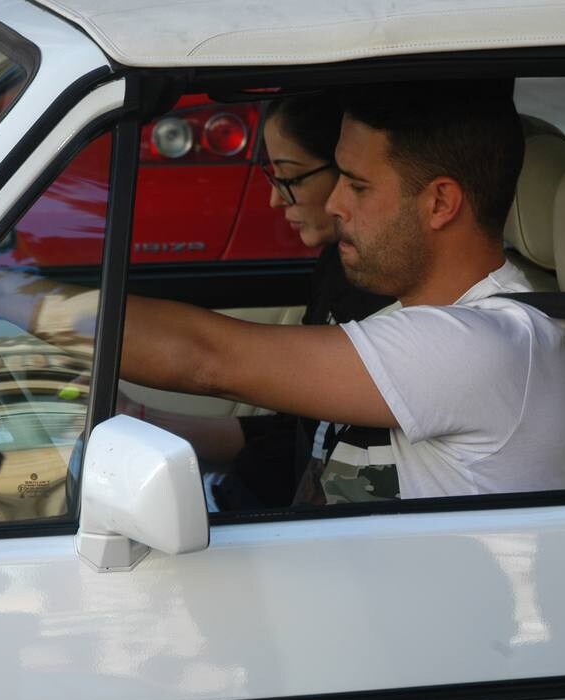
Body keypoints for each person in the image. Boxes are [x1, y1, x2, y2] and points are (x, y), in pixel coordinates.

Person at [119, 81, 565, 499]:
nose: (334, 203)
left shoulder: (486, 345)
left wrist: (49, 310)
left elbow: (204, 358)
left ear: (440, 203)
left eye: (358, 186)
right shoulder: (417, 317)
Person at [128, 92, 395, 508]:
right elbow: (298, 432)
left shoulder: (414, 320)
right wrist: (142, 420)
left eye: (291, 177)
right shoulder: (336, 270)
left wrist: (38, 308)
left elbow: (205, 360)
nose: (274, 198)